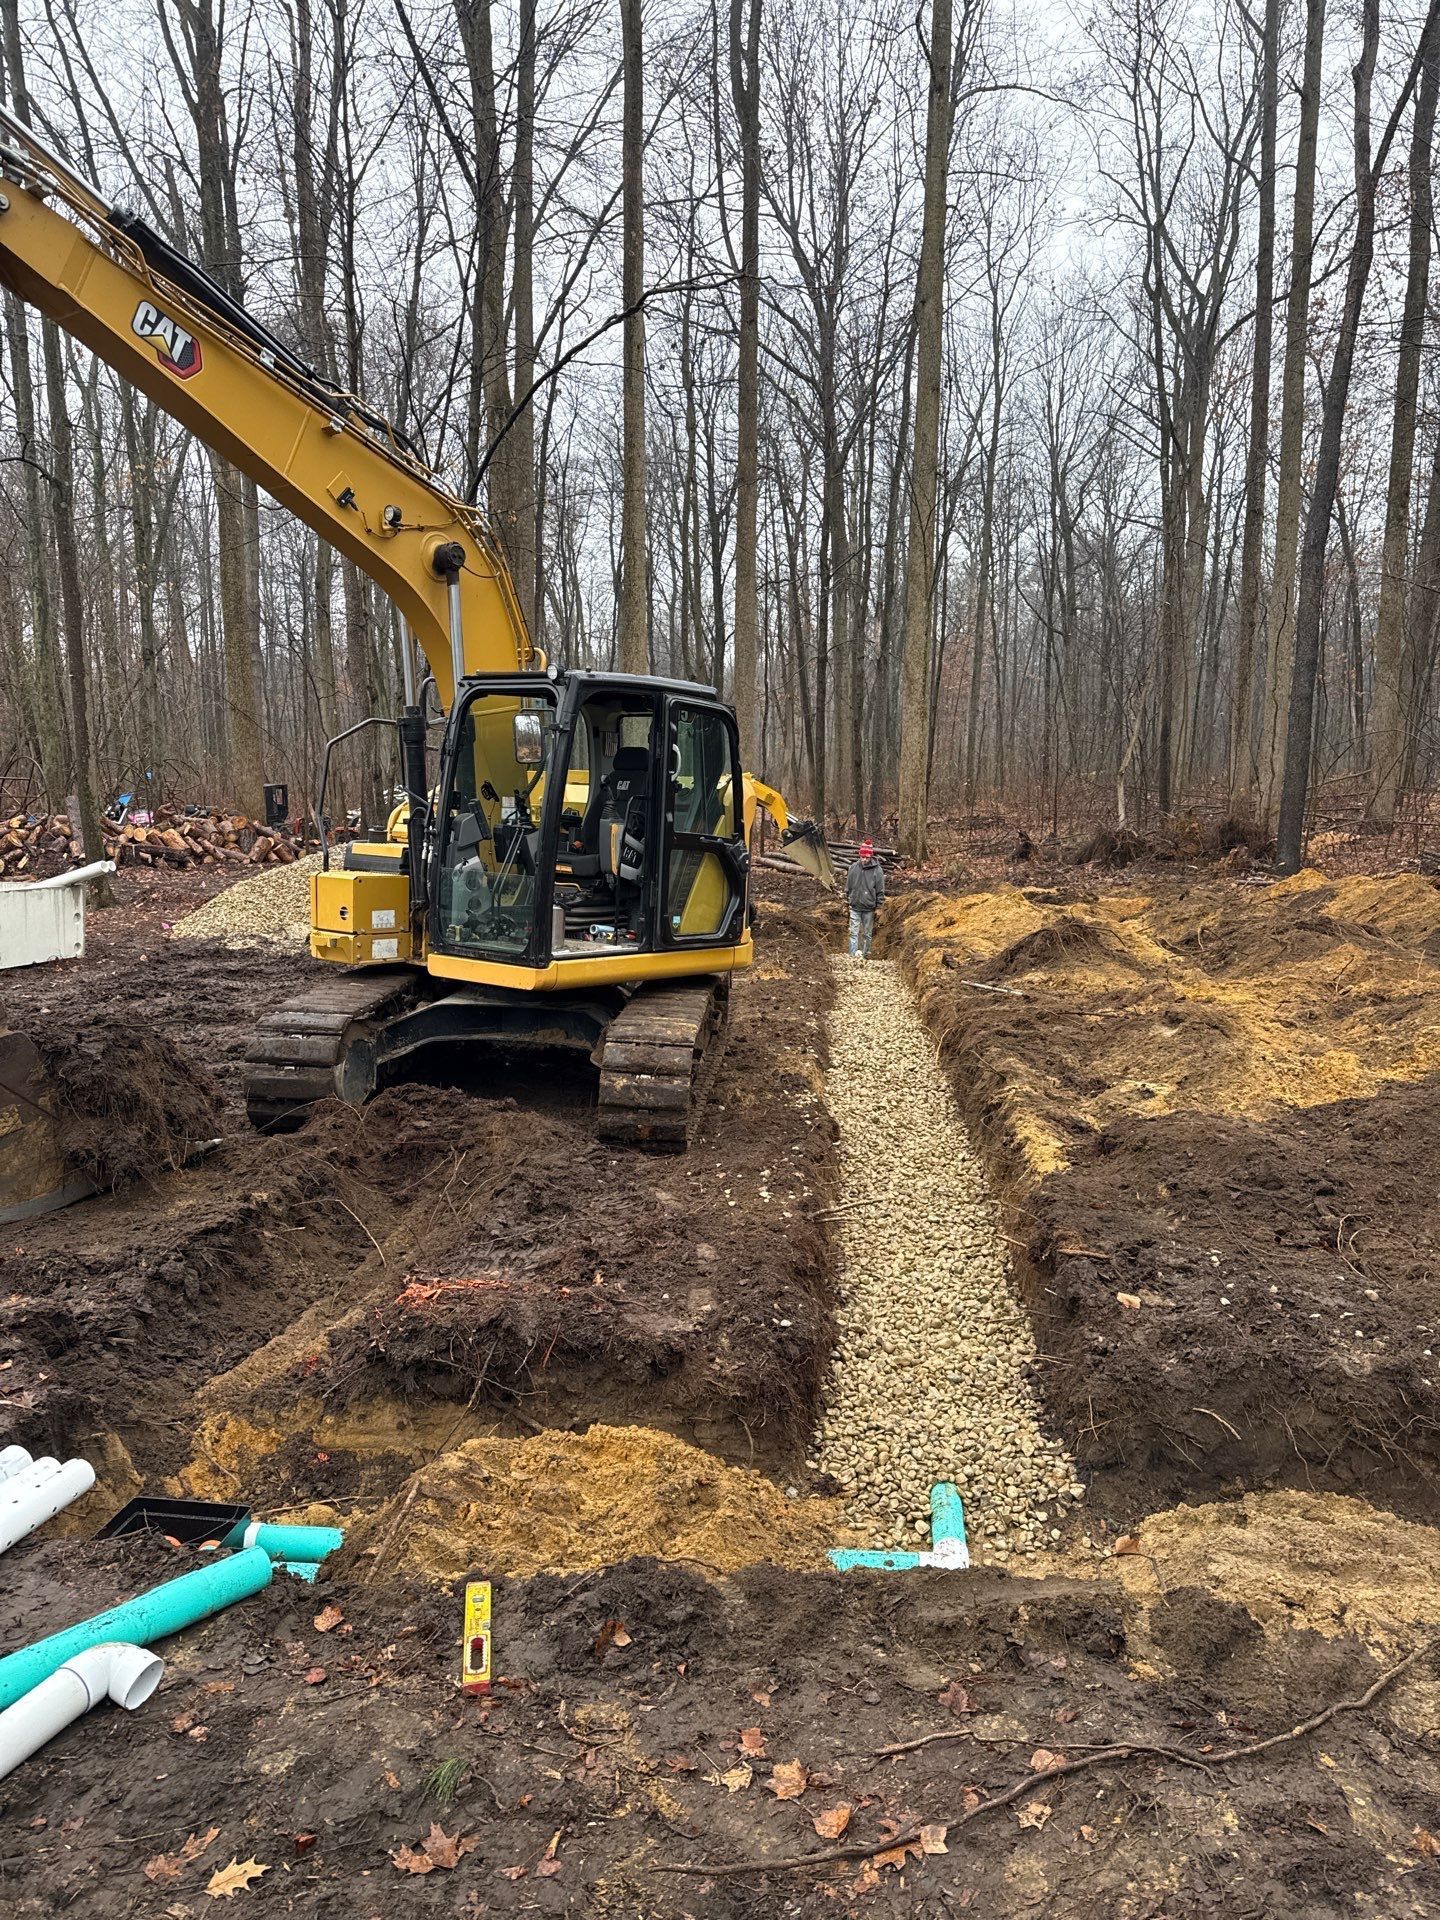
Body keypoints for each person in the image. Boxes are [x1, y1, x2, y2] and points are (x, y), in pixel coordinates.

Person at [845, 839, 885, 958]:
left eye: (866, 857)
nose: (864, 860)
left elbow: (880, 889)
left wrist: (879, 906)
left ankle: (865, 955)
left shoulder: (877, 870)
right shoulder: (853, 868)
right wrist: (847, 901)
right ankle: (852, 956)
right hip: (855, 906)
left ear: (870, 856)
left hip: (869, 907)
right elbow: (848, 886)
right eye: (862, 857)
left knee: (867, 934)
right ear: (860, 855)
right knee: (853, 932)